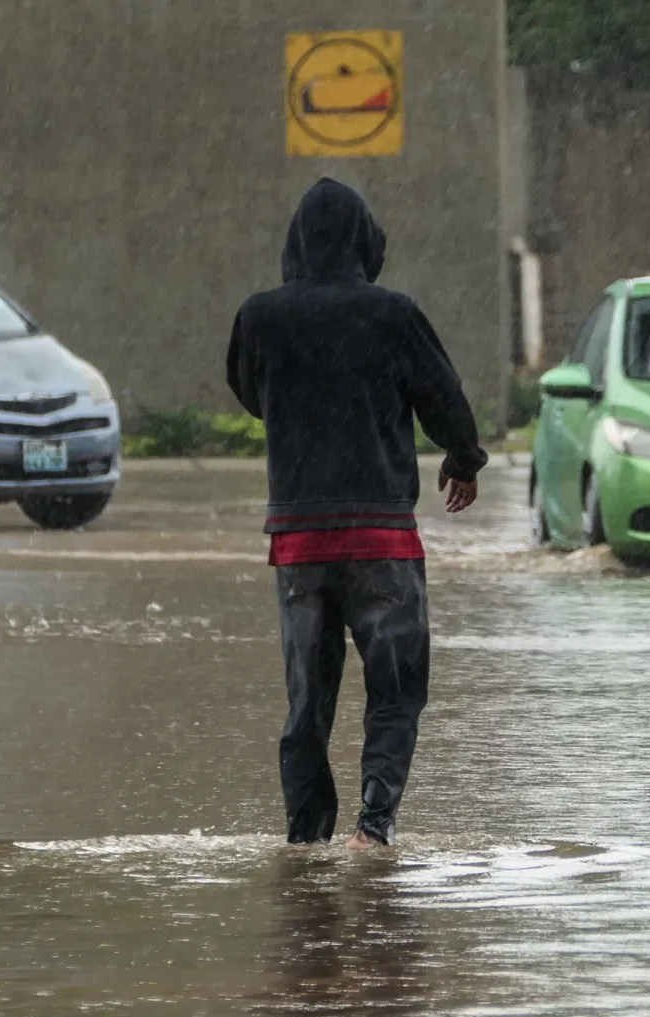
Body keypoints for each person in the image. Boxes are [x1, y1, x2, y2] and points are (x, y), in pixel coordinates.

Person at [226, 177, 488, 850]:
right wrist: (462, 458)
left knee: (307, 706)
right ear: (366, 241)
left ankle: (306, 841)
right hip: (382, 542)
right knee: (395, 690)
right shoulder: (392, 314)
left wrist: (299, 400)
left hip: (299, 544)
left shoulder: (260, 317)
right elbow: (444, 396)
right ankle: (374, 829)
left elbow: (250, 394)